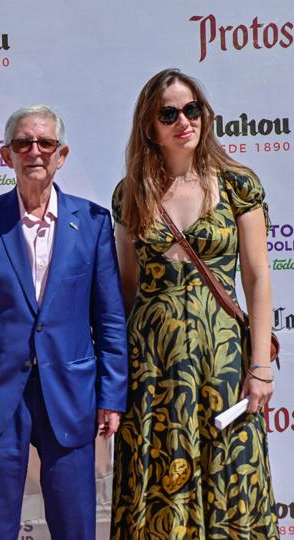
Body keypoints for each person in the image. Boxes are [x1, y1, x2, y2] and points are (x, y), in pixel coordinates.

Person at [0, 105, 128, 540]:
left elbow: (110, 318)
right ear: (6, 155)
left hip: (70, 391)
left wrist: (112, 394)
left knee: (75, 524)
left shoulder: (95, 222)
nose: (35, 152)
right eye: (24, 143)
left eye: (45, 143)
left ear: (61, 154)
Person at [110, 68, 278, 538]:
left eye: (192, 109)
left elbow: (257, 275)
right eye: (169, 113)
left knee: (230, 468)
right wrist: (118, 373)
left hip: (223, 359)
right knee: (159, 475)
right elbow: (127, 286)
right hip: (153, 367)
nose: (184, 121)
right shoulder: (130, 193)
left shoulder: (237, 184)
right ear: (150, 126)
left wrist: (260, 365)